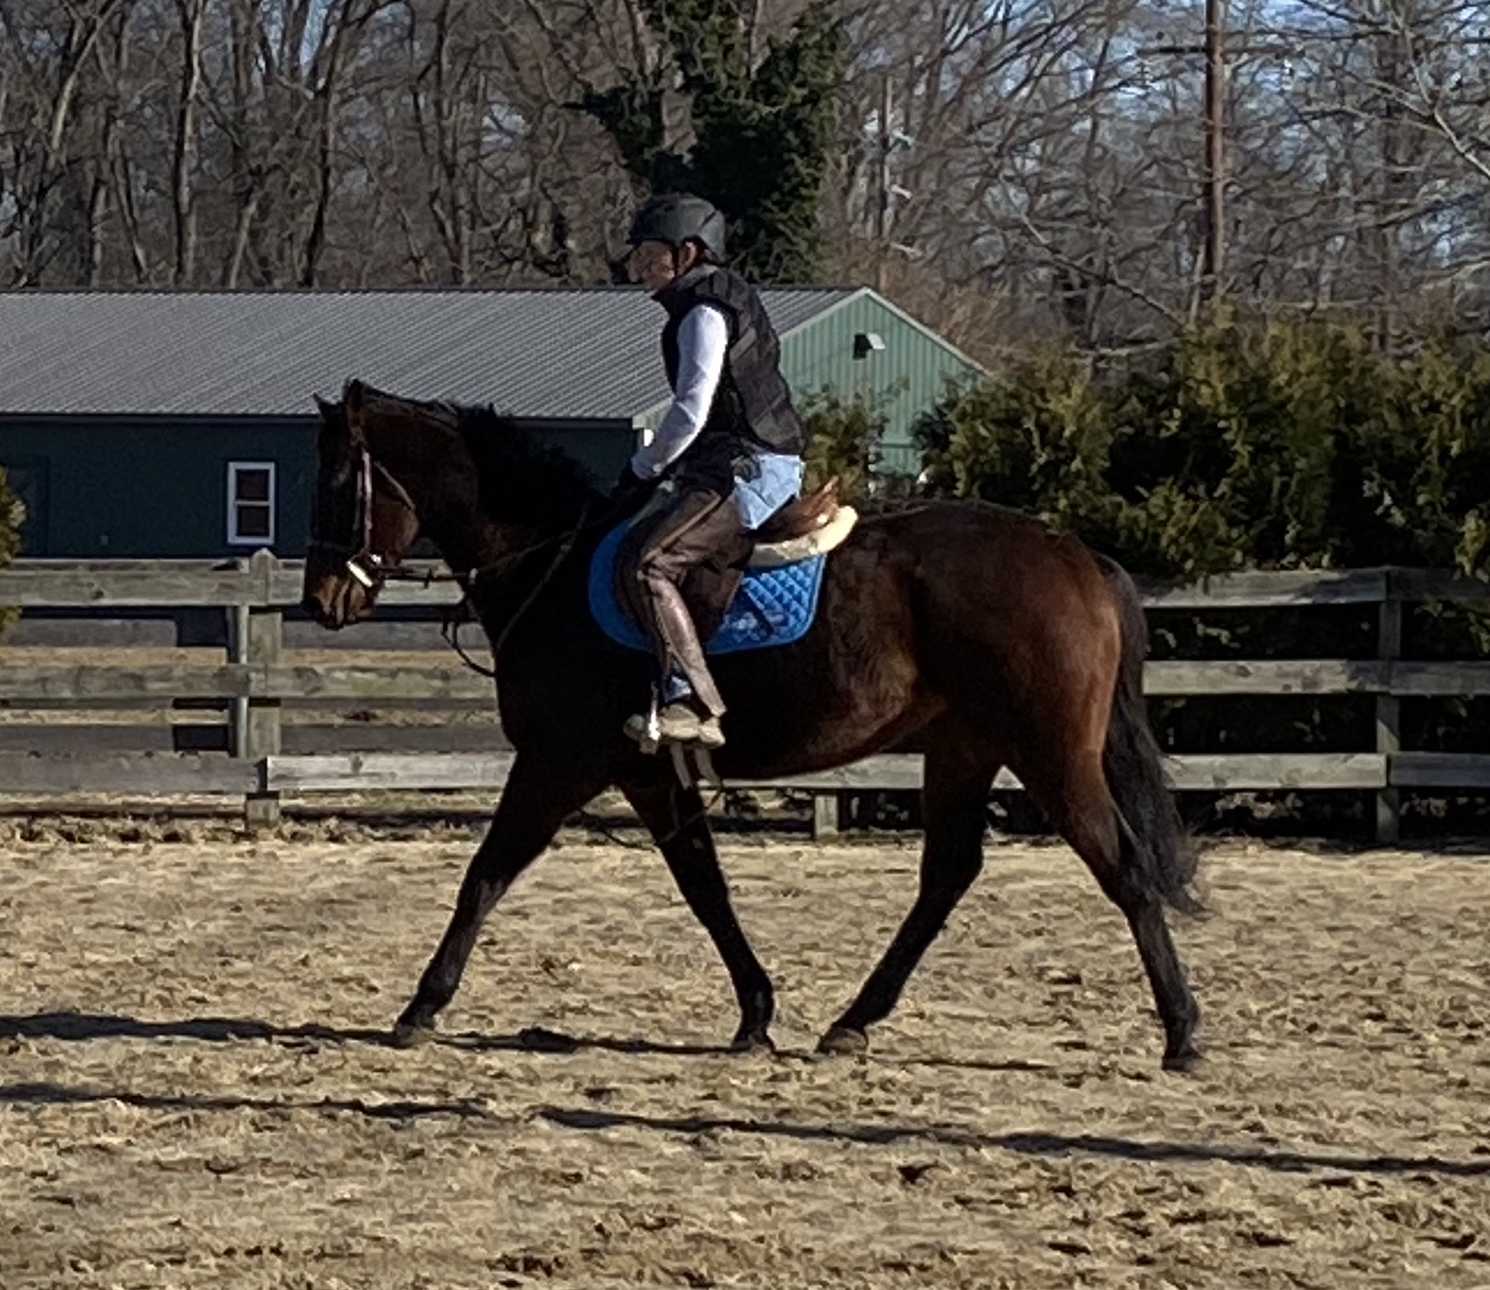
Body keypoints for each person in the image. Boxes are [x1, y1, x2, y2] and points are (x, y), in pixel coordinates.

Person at [614, 192, 809, 750]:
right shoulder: (702, 303)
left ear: (689, 253)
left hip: (748, 468)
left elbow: (691, 410)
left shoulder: (704, 311)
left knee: (650, 563)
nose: (641, 269)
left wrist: (645, 465)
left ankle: (691, 700)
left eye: (652, 255)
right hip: (739, 461)